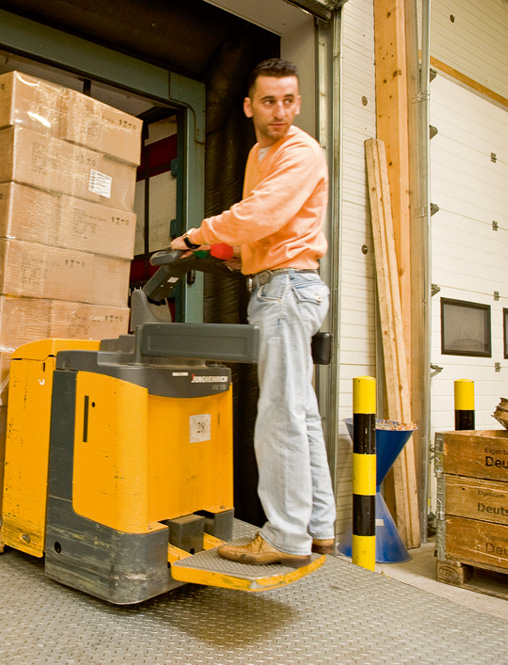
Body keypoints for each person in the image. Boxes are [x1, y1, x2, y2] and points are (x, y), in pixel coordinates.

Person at [170, 58, 335, 568]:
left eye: (289, 100)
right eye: (269, 101)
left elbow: (261, 213)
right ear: (249, 106)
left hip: (287, 290)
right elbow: (264, 229)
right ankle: (319, 527)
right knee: (300, 412)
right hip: (278, 284)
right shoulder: (259, 155)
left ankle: (286, 537)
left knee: (279, 415)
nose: (281, 111)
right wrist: (228, 253)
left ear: (299, 103)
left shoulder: (299, 152)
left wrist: (199, 235)